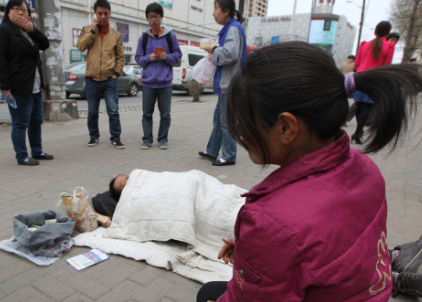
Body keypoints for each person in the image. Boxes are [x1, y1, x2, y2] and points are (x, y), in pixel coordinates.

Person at [195, 42, 422, 301]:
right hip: (367, 291)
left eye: (245, 120)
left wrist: (264, 247)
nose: (241, 131)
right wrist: (256, 253)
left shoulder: (271, 224)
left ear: (285, 128)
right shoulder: (366, 168)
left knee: (208, 295)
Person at [0, 0, 54, 166]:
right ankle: (22, 155)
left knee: (36, 120)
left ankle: (37, 150)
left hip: (35, 85)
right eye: (17, 10)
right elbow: (1, 60)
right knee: (20, 123)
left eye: (24, 10)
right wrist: (5, 87)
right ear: (9, 12)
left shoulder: (29, 31)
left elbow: (45, 44)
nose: (22, 13)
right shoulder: (4, 30)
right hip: (17, 87)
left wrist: (33, 30)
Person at [198, 0, 248, 166]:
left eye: (216, 8)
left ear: (226, 11)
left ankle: (229, 155)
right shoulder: (231, 27)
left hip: (231, 84)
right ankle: (212, 151)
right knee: (218, 120)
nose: (213, 12)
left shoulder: (233, 28)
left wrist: (213, 49)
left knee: (226, 122)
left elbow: (230, 54)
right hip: (227, 83)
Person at [77, 0, 125, 149]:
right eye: (100, 13)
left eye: (105, 13)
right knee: (92, 112)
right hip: (92, 80)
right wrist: (92, 30)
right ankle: (93, 136)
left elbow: (120, 57)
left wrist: (116, 74)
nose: (103, 16)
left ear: (109, 14)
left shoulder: (116, 35)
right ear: (95, 14)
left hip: (109, 80)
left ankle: (115, 137)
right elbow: (81, 47)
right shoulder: (87, 30)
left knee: (113, 111)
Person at [135, 2, 182, 150]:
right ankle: (147, 139)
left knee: (165, 114)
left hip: (165, 83)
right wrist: (149, 58)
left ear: (161, 17)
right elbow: (138, 58)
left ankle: (163, 139)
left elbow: (178, 57)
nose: (153, 19)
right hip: (148, 83)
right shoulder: (144, 38)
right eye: (150, 17)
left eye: (156, 16)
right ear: (147, 19)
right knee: (146, 114)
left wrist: (165, 57)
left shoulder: (170, 36)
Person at [351, 21, 396, 144]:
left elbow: (357, 64)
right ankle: (358, 132)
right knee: (367, 107)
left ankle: (358, 132)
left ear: (375, 31)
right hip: (374, 78)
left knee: (359, 105)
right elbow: (386, 66)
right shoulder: (389, 46)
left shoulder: (364, 45)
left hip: (360, 76)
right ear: (388, 33)